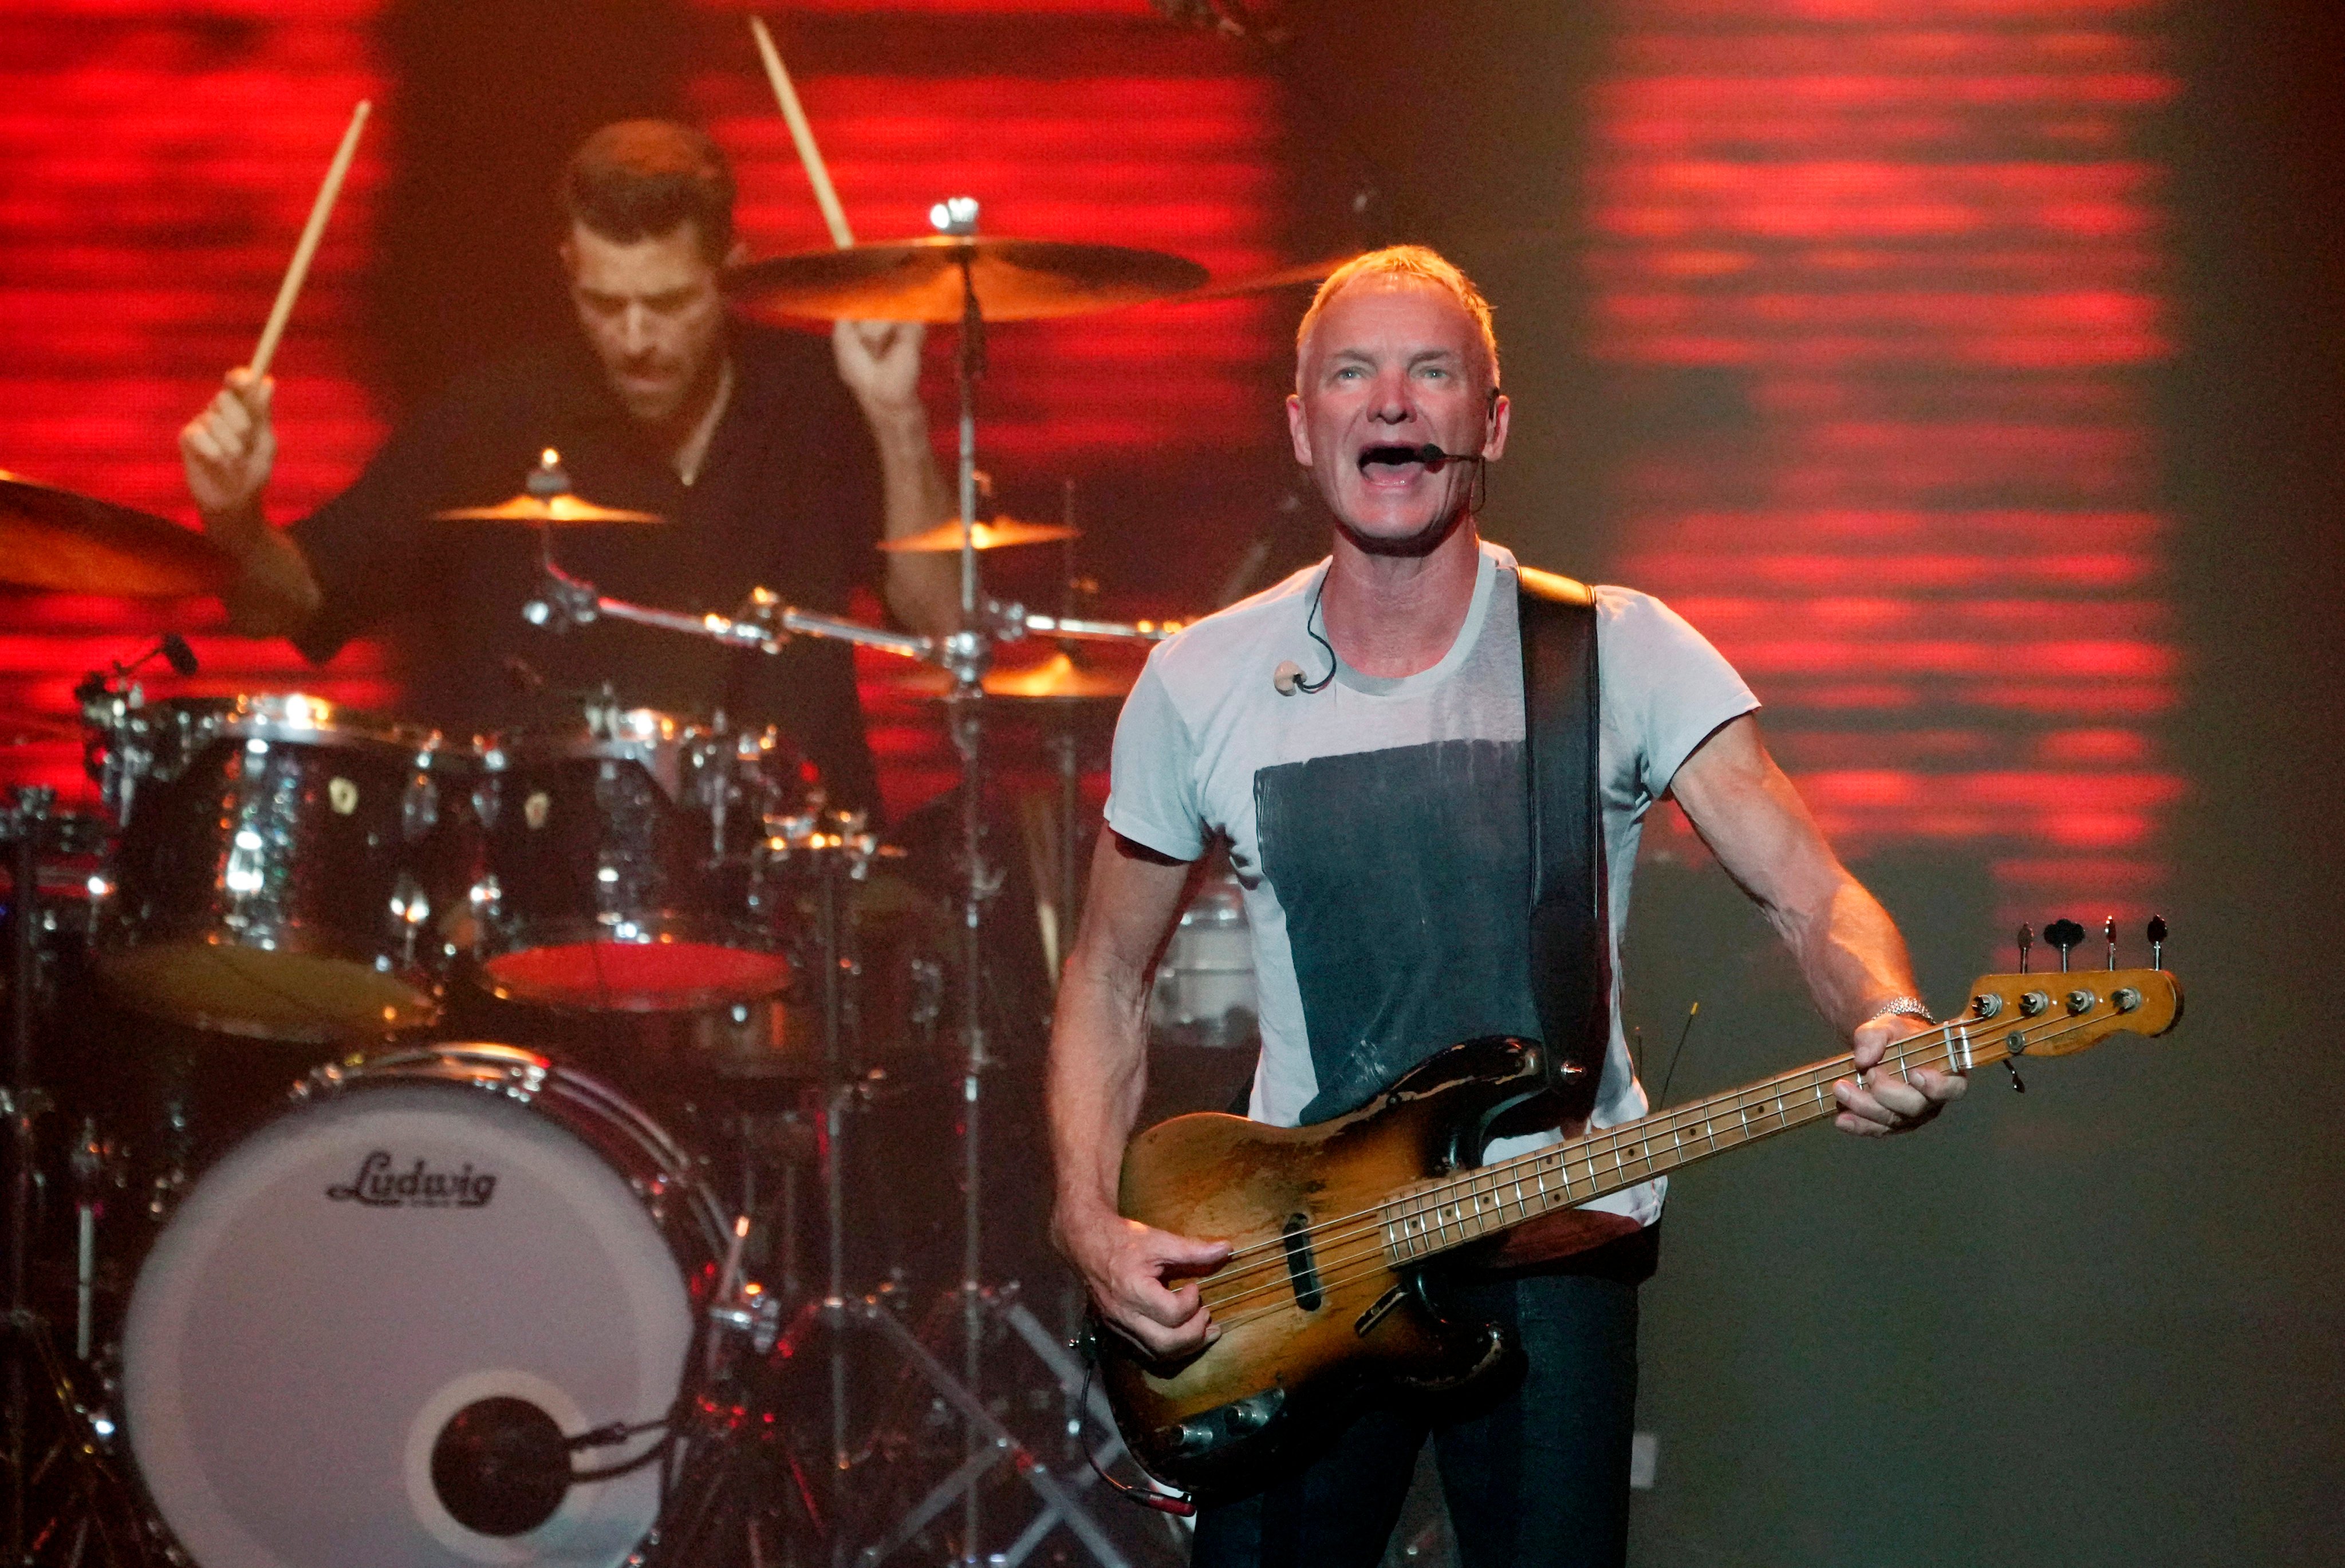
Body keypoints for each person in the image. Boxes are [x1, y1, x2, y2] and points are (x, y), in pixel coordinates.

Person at [1046, 246, 1968, 1567]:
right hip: (1298, 1263)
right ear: (1300, 426)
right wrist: (1086, 1218)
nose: (1391, 402)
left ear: (1489, 421)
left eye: (1430, 371)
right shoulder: (1198, 679)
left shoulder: (1617, 649)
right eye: (1351, 373)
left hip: (1556, 1241)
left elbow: (1810, 890)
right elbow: (1101, 975)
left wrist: (1884, 1009)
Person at [178, 119, 959, 808]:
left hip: (808, 888)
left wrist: (896, 414)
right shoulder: (491, 421)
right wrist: (235, 523)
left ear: (732, 271)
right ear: (567, 266)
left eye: (671, 302)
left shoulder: (820, 397)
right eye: (605, 304)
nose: (637, 338)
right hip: (561, 910)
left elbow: (945, 624)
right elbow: (286, 604)